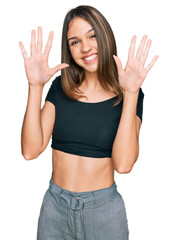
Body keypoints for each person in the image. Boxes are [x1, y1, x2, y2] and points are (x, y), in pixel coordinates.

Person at [19, 5, 158, 240]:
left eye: (92, 36)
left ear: (104, 35)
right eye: (75, 42)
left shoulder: (129, 92)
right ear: (69, 49)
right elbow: (30, 151)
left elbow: (124, 165)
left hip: (103, 212)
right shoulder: (60, 88)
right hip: (55, 209)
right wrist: (35, 87)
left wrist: (131, 93)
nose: (85, 47)